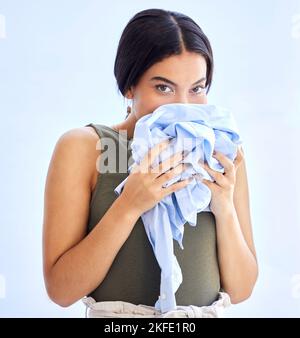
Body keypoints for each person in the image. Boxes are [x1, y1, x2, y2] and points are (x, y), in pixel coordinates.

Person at [42, 8, 258, 317]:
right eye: (164, 88)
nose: (183, 107)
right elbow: (61, 290)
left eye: (197, 89)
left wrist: (223, 206)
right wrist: (129, 205)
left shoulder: (222, 151)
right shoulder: (84, 147)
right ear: (129, 86)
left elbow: (242, 289)